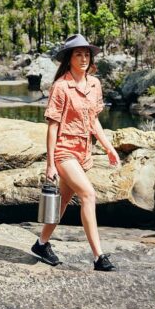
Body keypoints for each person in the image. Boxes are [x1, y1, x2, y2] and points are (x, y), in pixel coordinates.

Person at [31, 33, 119, 271]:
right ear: (69, 58)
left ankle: (41, 244)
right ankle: (99, 257)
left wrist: (109, 148)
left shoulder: (94, 84)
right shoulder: (61, 87)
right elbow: (52, 127)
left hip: (84, 152)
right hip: (64, 151)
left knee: (61, 203)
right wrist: (50, 163)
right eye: (78, 54)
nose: (83, 58)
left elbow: (94, 121)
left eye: (87, 54)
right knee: (88, 195)